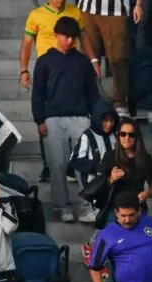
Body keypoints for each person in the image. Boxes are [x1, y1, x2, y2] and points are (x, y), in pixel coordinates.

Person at [31, 16, 100, 224]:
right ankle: (63, 207)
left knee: (85, 165)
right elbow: (38, 94)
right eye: (65, 36)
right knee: (57, 165)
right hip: (52, 119)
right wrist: (39, 120)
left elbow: (92, 94)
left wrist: (95, 118)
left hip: (81, 117)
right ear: (56, 35)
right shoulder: (44, 61)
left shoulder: (83, 62)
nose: (69, 40)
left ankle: (86, 206)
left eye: (73, 37)